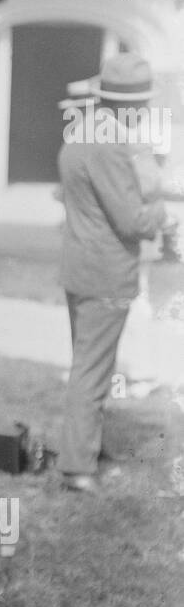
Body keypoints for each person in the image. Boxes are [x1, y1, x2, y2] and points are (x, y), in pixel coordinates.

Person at [58, 54, 170, 493]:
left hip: (78, 267)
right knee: (92, 372)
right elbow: (131, 221)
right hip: (107, 273)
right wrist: (163, 214)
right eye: (141, 105)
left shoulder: (80, 133)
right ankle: (78, 469)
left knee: (87, 366)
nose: (143, 112)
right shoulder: (114, 144)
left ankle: (85, 452)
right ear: (131, 105)